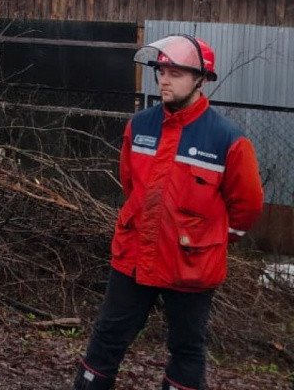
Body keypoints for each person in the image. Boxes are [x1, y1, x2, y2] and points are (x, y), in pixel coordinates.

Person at [72, 34, 263, 390]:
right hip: (133, 255)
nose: (163, 79)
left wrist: (211, 239)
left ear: (201, 80)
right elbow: (132, 183)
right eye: (161, 70)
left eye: (175, 72)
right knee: (107, 336)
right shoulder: (140, 125)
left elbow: (247, 206)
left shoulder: (228, 141)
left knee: (187, 348)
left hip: (190, 265)